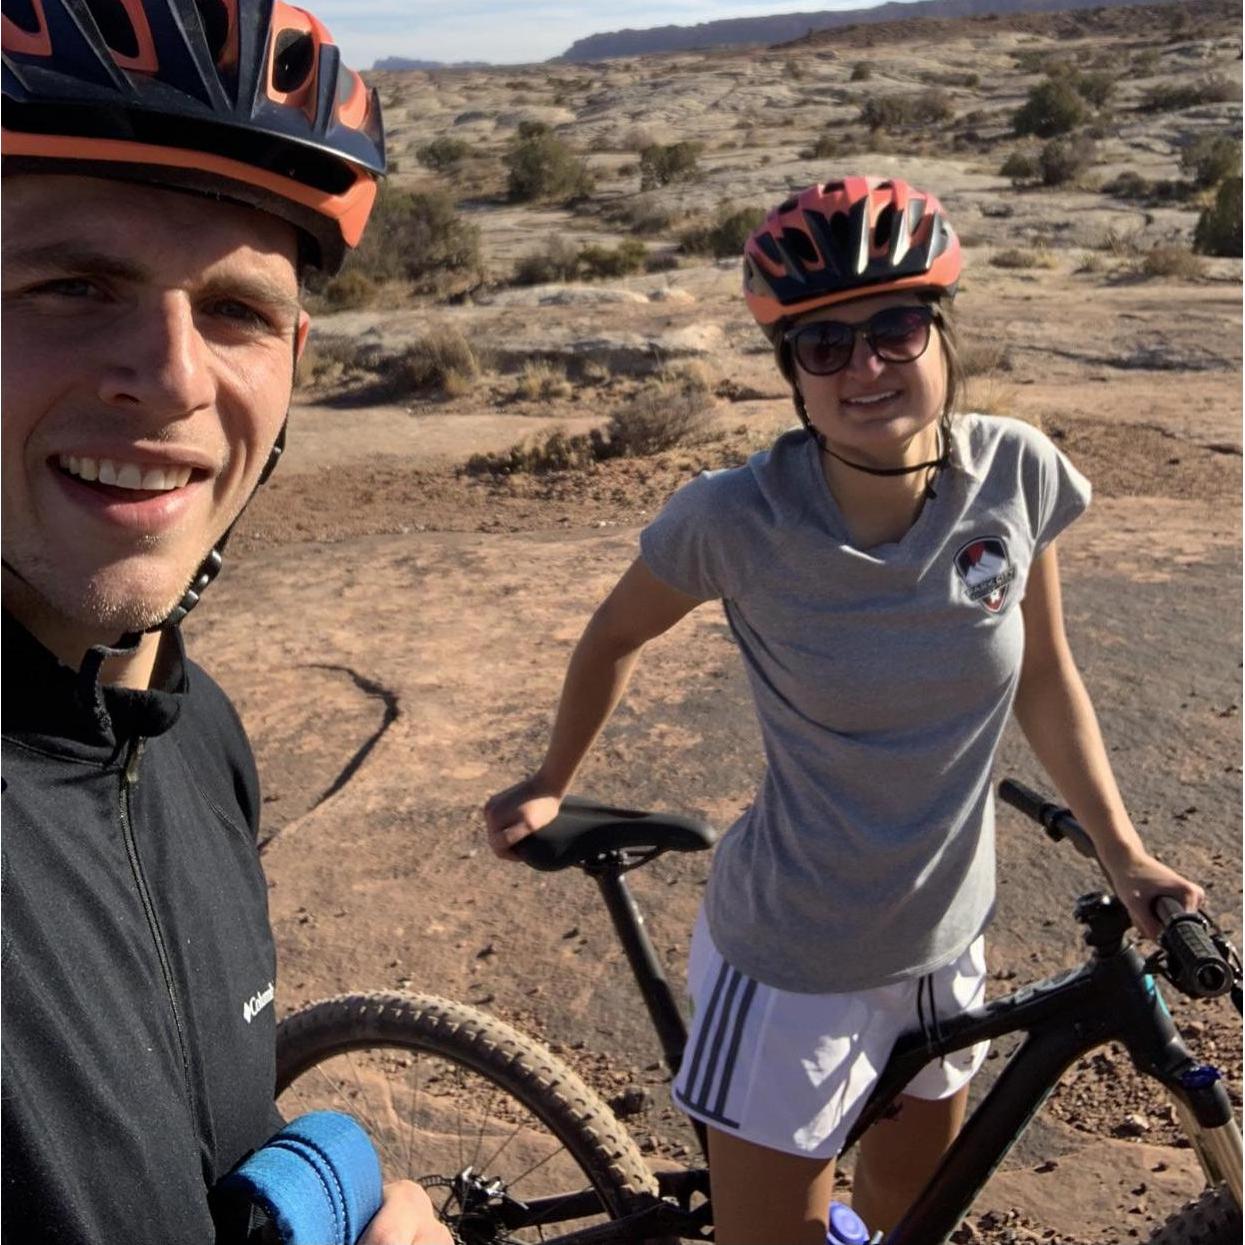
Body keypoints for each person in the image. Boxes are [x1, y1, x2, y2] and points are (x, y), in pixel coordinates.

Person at [484, 176, 1205, 1243]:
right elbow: (612, 635)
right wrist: (551, 779)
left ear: (942, 335)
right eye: (823, 346)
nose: (864, 368)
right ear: (792, 378)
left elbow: (1046, 675)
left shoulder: (1013, 473)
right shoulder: (737, 518)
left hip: (948, 939)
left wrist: (1125, 852)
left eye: (894, 329)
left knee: (908, 1218)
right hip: (796, 962)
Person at [0, 3, 449, 1242]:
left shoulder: (197, 736)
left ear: (296, 356)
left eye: (238, 310)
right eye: (72, 285)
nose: (174, 377)